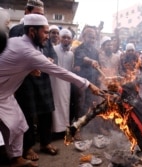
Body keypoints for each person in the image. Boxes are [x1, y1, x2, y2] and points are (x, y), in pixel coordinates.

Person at [0, 14, 101, 167]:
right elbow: (60, 71)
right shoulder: (29, 51)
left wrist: (30, 68)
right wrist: (87, 84)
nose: (47, 36)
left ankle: (15, 159)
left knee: (18, 124)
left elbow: (13, 62)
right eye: (45, 32)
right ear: (32, 31)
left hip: (5, 95)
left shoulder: (17, 42)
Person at [9, 0, 58, 161]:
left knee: (47, 111)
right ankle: (27, 147)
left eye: (42, 15)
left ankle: (45, 142)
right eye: (37, 14)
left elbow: (51, 53)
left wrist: (49, 60)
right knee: (27, 114)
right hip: (26, 79)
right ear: (26, 12)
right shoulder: (17, 30)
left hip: (43, 78)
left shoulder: (44, 30)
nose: (40, 18)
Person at [72, 25, 102, 138]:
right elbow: (83, 58)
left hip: (93, 81)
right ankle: (77, 129)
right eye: (90, 37)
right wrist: (90, 61)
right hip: (81, 82)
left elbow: (98, 65)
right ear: (84, 37)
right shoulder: (79, 48)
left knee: (91, 104)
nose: (92, 40)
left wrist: (98, 81)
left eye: (94, 38)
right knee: (80, 104)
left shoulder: (95, 51)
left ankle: (91, 127)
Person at [51, 28, 74, 134]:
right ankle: (54, 130)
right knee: (55, 104)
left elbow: (71, 69)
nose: (66, 39)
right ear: (60, 38)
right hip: (54, 82)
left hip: (66, 83)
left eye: (68, 38)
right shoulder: (53, 49)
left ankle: (63, 129)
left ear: (71, 40)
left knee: (65, 104)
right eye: (64, 37)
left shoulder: (71, 54)